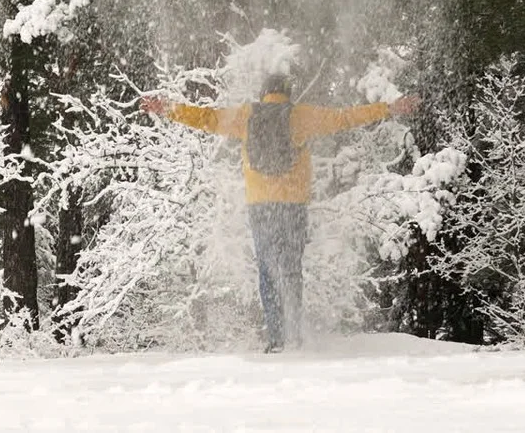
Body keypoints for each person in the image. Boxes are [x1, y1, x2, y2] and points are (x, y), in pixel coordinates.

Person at [141, 74, 420, 352]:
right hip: (292, 205)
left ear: (264, 93)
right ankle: (295, 335)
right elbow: (345, 118)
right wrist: (388, 108)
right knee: (291, 270)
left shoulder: (247, 116)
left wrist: (167, 108)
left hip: (260, 205)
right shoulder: (300, 116)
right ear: (288, 93)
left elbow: (206, 118)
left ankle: (275, 339)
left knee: (267, 270)